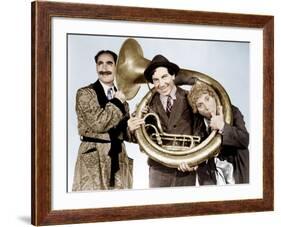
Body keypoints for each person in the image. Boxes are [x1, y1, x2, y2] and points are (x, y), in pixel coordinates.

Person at [129, 54, 197, 188]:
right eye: (156, 80)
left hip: (185, 167)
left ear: (173, 76)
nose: (161, 84)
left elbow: (200, 131)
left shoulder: (189, 97)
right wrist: (132, 129)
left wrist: (195, 160)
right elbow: (140, 138)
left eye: (164, 77)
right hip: (158, 170)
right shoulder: (147, 104)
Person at [72, 50, 133, 191]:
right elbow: (98, 123)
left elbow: (125, 135)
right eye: (100, 63)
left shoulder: (122, 99)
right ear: (96, 67)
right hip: (93, 158)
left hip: (118, 159)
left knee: (118, 208)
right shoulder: (84, 93)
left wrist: (133, 127)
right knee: (90, 205)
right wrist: (118, 101)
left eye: (109, 63)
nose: (104, 68)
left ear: (117, 67)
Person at [178, 82, 249, 185]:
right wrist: (193, 163)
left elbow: (244, 140)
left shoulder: (232, 112)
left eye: (207, 99)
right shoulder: (197, 124)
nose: (207, 107)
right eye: (200, 105)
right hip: (210, 179)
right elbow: (197, 152)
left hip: (236, 175)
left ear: (214, 97)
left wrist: (223, 126)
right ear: (197, 110)